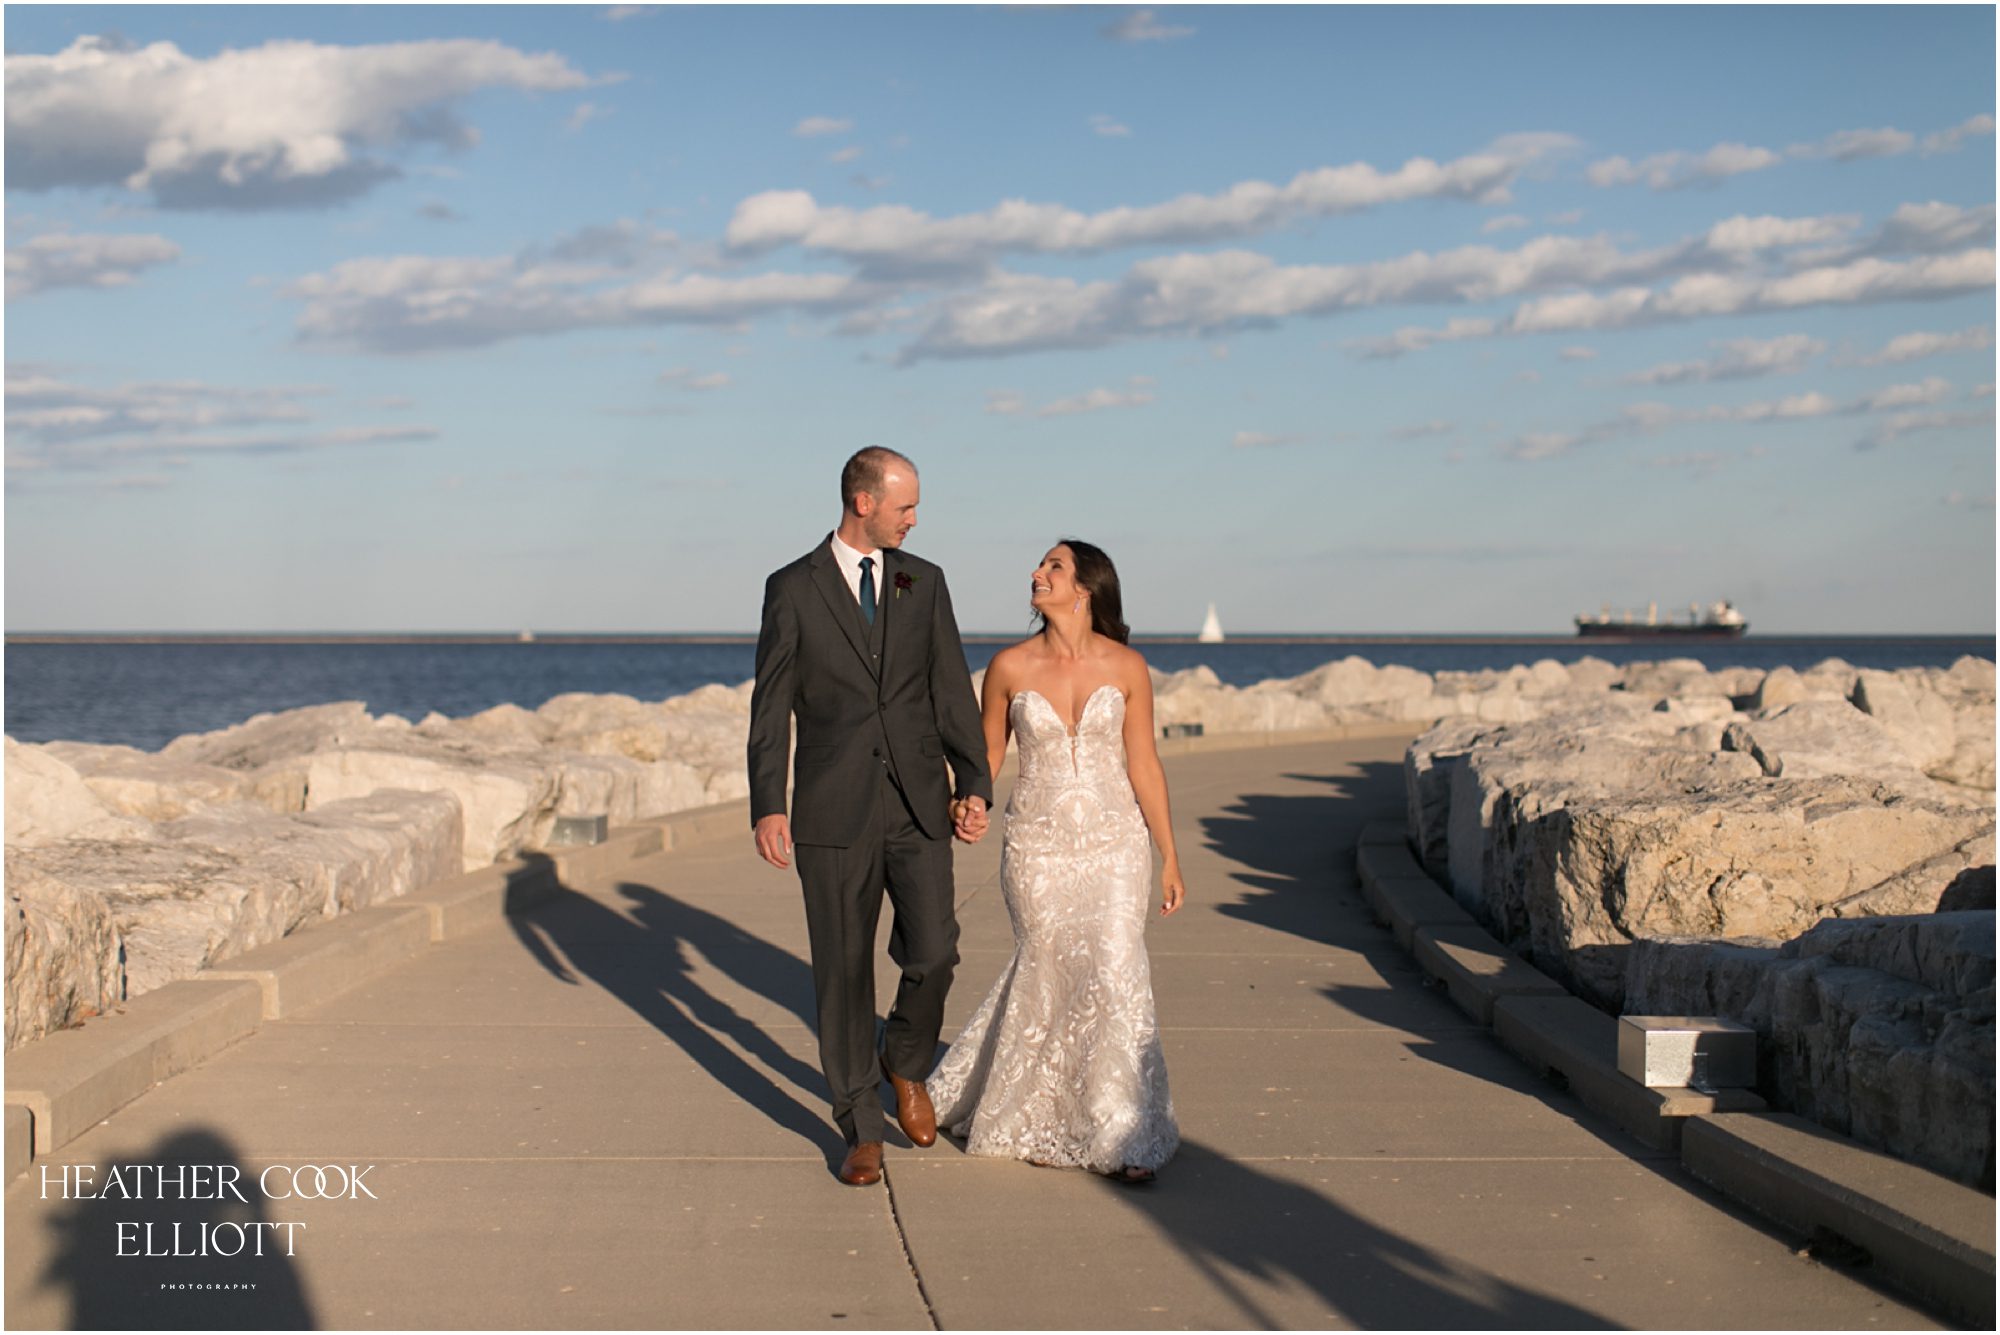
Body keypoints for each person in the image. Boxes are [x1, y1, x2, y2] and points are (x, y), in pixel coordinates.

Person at [748, 447, 993, 1187]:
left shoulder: (926, 582)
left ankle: (906, 1060)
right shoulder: (792, 588)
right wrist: (769, 803)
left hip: (918, 801)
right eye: (904, 506)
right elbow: (771, 707)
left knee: (936, 951)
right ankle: (858, 1125)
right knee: (842, 973)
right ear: (863, 501)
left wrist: (973, 783)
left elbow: (951, 690)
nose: (914, 519)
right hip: (830, 809)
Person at [927, 539, 1182, 1182]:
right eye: (1041, 566)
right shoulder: (1009, 666)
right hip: (1037, 846)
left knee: (1115, 971)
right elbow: (986, 755)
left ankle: (1120, 1129)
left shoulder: (1128, 667)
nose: (1037, 574)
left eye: (1054, 567)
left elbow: (1143, 763)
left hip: (1115, 844)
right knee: (1048, 970)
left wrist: (1169, 852)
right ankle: (1041, 1118)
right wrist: (971, 803)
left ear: (1085, 587)